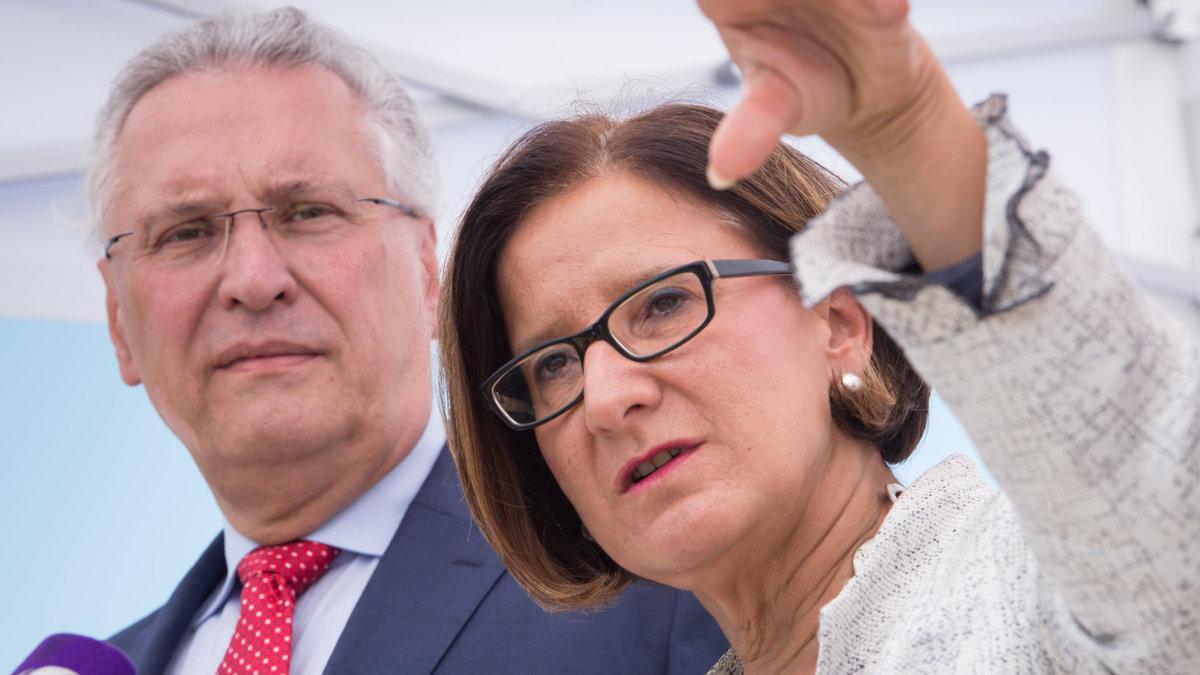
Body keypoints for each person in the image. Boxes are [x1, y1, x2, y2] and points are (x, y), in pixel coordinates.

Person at [439, 0, 1200, 672]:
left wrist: (909, 131)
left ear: (839, 321)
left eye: (664, 303)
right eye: (552, 366)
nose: (606, 398)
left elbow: (1164, 529)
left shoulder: (1031, 592)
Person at [90, 7, 726, 674]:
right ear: (117, 320)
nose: (253, 280)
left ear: (427, 269)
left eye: (308, 212)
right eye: (186, 232)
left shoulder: (652, 580)